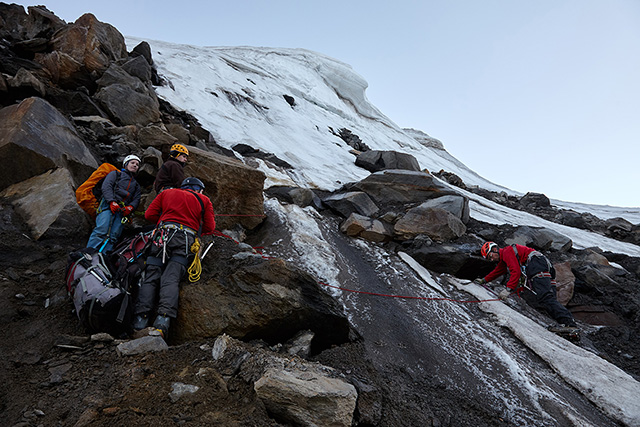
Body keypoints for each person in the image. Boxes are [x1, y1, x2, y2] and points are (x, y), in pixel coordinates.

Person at [133, 177, 216, 337]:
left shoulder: (166, 193)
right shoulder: (204, 200)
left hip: (161, 237)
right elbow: (209, 227)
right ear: (197, 189)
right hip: (184, 241)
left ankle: (140, 320)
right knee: (171, 279)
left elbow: (150, 215)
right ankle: (162, 323)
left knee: (151, 276)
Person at [474, 242, 578, 332]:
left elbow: (516, 271)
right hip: (544, 264)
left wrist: (508, 290)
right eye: (489, 258)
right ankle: (564, 322)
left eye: (490, 256)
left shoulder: (506, 251)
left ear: (495, 249)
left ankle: (569, 323)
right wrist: (484, 280)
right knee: (549, 298)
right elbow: (497, 271)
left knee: (545, 297)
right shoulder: (504, 257)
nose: (491, 259)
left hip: (536, 263)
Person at [87, 155, 141, 252]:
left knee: (114, 236)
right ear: (126, 164)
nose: (135, 165)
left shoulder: (136, 185)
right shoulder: (115, 174)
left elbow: (136, 199)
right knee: (101, 230)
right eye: (132, 163)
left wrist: (130, 207)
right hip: (107, 205)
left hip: (121, 211)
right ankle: (89, 254)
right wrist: (111, 201)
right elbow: (106, 186)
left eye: (137, 164)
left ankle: (103, 257)